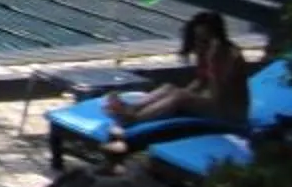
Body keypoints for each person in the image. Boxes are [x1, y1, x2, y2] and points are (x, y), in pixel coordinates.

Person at [104, 15, 250, 140]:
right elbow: (201, 81)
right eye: (197, 39)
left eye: (204, 40)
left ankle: (134, 119)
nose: (199, 45)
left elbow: (218, 97)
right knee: (170, 88)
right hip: (217, 104)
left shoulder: (228, 56)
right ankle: (132, 108)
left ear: (217, 37)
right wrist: (180, 94)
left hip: (231, 114)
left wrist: (182, 98)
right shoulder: (207, 51)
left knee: (180, 97)